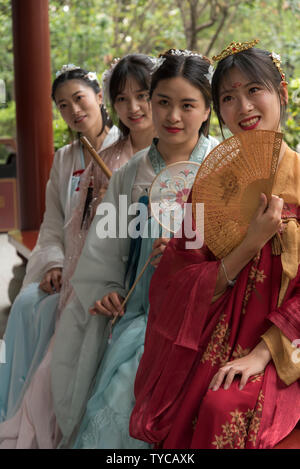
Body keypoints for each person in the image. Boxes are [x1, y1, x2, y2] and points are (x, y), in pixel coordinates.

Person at [130, 40, 300, 449]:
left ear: (281, 93)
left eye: (253, 90)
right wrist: (252, 242)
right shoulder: (210, 184)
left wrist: (262, 354)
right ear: (218, 110)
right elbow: (178, 275)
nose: (242, 107)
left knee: (222, 408)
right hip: (214, 334)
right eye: (228, 97)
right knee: (184, 404)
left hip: (283, 344)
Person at [0, 55, 155, 448]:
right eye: (62, 105)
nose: (134, 107)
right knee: (27, 307)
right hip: (99, 276)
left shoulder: (177, 154)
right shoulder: (80, 160)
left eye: (144, 95)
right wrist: (63, 269)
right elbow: (66, 229)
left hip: (151, 284)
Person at [67, 49, 219, 449]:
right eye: (163, 102)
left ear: (207, 109)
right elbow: (104, 251)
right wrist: (108, 290)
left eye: (187, 105)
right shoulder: (131, 175)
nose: (172, 116)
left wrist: (193, 252)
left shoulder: (224, 167)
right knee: (125, 387)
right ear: (151, 102)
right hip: (145, 314)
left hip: (211, 315)